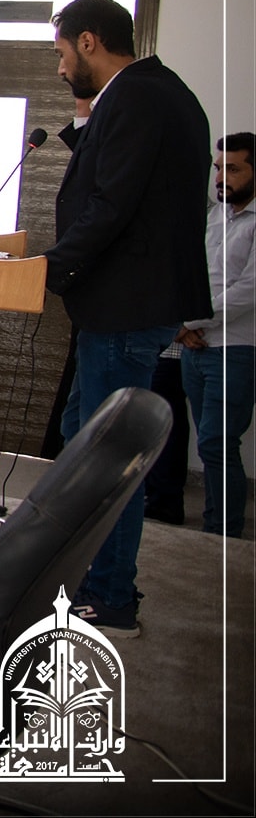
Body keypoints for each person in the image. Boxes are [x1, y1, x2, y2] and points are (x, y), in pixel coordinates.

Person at [44, 0, 211, 636]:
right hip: (124, 303)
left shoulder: (139, 97)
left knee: (110, 462)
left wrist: (49, 269)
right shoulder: (148, 92)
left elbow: (111, 203)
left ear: (89, 41)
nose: (61, 67)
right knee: (80, 433)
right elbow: (110, 176)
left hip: (125, 303)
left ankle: (110, 594)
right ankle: (87, 569)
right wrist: (85, 113)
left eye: (63, 52)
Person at [178, 132, 253, 539]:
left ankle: (222, 534)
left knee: (218, 443)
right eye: (219, 168)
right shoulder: (213, 217)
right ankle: (213, 528)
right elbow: (196, 276)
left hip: (236, 349)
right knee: (210, 446)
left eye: (234, 169)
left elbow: (247, 291)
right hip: (197, 348)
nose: (222, 178)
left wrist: (190, 322)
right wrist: (185, 326)